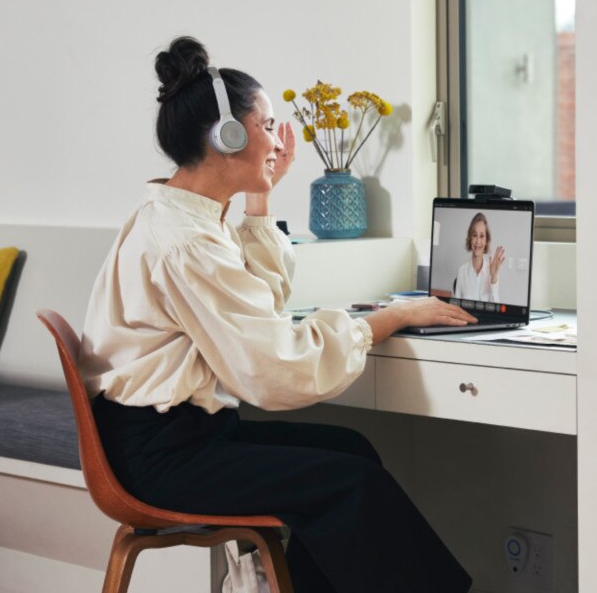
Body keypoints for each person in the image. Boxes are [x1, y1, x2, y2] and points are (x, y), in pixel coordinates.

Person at [78, 36, 476, 593]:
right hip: (161, 455)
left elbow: (256, 309)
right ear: (228, 136)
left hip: (179, 436)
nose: (276, 140)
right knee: (350, 485)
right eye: (265, 125)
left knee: (353, 452)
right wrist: (386, 320)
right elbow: (273, 370)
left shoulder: (186, 217)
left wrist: (260, 200)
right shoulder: (185, 241)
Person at [454, 212, 505, 302]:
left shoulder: (492, 271)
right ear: (470, 239)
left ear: (486, 241)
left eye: (481, 236)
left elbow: (496, 309)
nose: (478, 241)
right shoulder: (462, 271)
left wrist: (494, 277)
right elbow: (456, 308)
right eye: (474, 235)